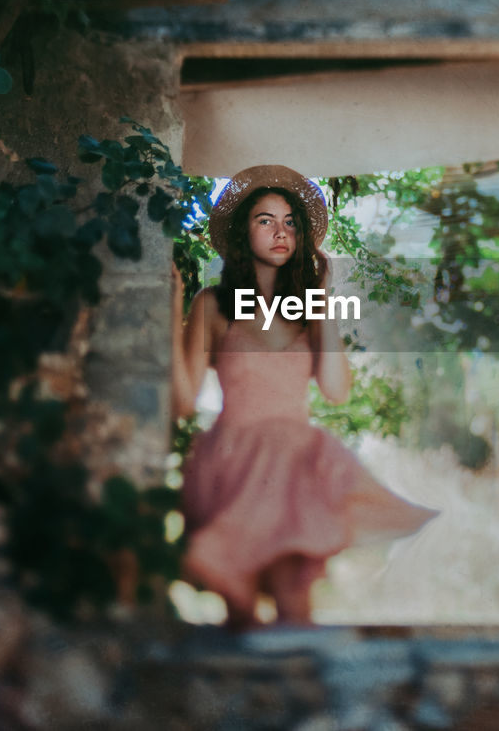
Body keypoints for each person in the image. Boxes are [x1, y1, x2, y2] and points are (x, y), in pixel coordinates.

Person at [170, 164, 436, 629]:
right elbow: (186, 400)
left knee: (295, 603)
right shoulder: (212, 305)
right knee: (241, 614)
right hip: (236, 463)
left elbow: (335, 391)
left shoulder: (311, 308)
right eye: (265, 220)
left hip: (296, 466)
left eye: (290, 221)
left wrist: (325, 299)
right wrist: (175, 314)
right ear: (241, 233)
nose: (281, 232)